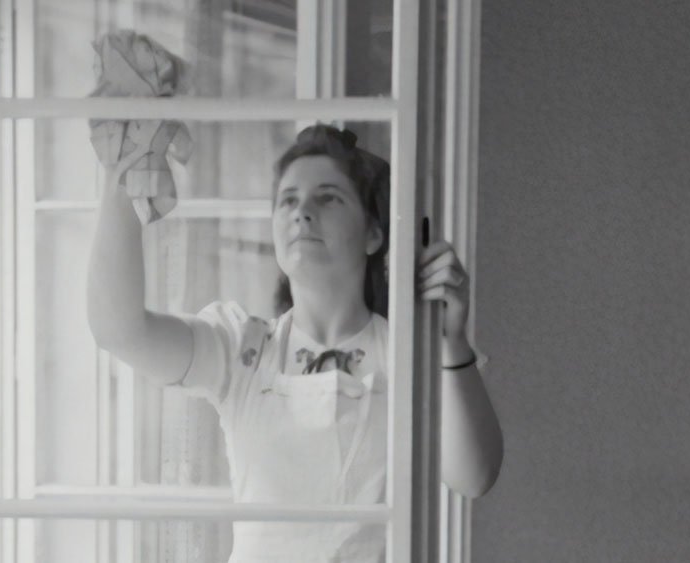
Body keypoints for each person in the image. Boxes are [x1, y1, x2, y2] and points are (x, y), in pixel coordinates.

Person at [87, 124, 503, 562]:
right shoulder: (242, 350)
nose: (302, 212)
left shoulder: (410, 358)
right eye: (288, 200)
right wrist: (125, 175)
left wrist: (450, 342)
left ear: (373, 234)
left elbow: (474, 477)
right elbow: (119, 331)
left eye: (328, 198)